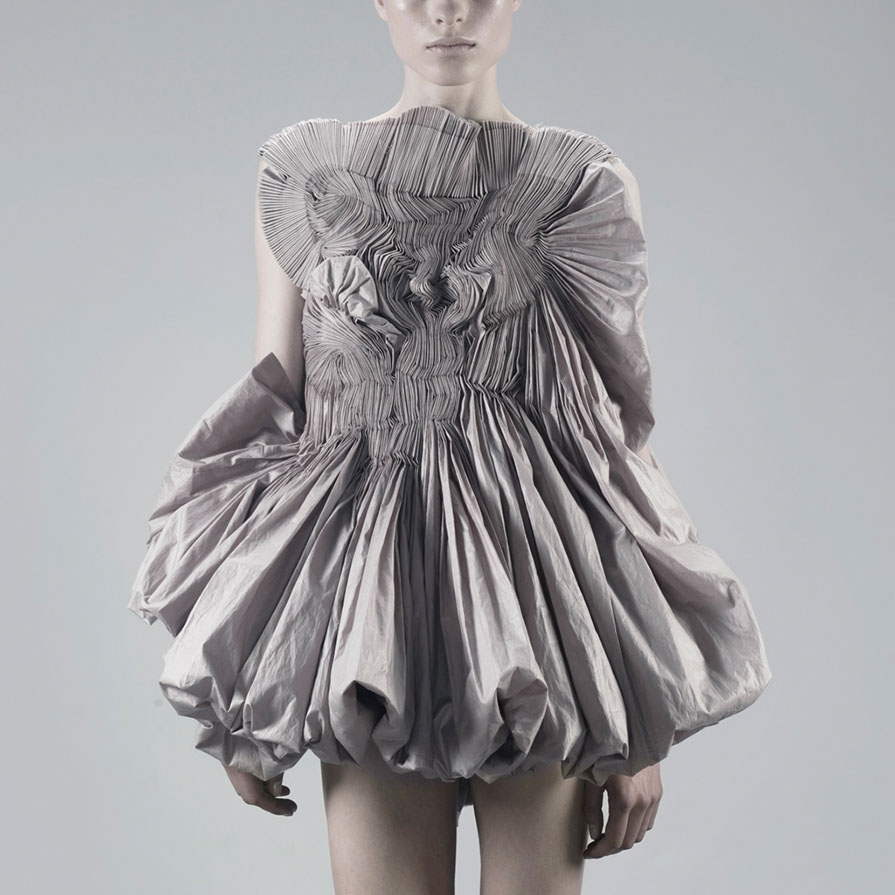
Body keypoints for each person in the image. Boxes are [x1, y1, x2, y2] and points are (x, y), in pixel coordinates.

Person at [128, 2, 772, 893]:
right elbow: (273, 420)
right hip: (365, 610)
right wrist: (248, 691)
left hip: (536, 607)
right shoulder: (302, 176)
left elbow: (608, 445)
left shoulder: (581, 184)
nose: (446, 10)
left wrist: (633, 715)